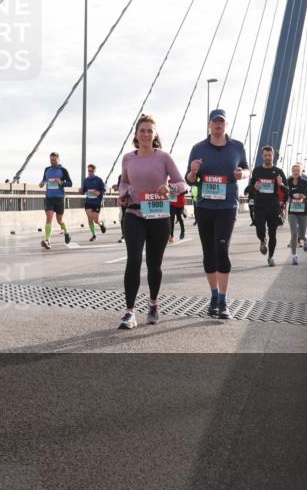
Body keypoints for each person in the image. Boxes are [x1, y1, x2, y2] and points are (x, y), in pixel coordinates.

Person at [117, 114, 187, 329]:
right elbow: (124, 182)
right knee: (134, 260)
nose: (146, 134)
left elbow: (182, 184)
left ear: (155, 134)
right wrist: (123, 194)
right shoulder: (128, 158)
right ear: (136, 135)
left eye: (149, 130)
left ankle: (153, 304)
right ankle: (129, 312)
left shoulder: (163, 157)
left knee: (154, 265)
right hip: (134, 214)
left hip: (158, 216)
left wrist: (169, 188)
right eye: (142, 131)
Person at [185, 109, 249, 320]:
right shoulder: (198, 148)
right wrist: (193, 172)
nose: (218, 125)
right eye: (215, 122)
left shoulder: (237, 147)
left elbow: (246, 169)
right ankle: (213, 296)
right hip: (204, 207)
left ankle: (223, 300)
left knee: (221, 250)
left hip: (227, 206)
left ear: (226, 124)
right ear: (209, 125)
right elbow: (189, 180)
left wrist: (243, 174)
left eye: (222, 122)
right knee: (208, 253)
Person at [248, 145, 287, 267]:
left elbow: (287, 191)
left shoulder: (279, 172)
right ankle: (262, 240)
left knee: (273, 233)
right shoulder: (257, 171)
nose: (267, 157)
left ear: (273, 156)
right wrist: (254, 187)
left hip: (273, 207)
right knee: (260, 228)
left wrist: (281, 185)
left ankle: (271, 257)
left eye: (269, 155)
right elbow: (249, 188)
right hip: (259, 206)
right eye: (265, 155)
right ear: (262, 156)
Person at [39, 152, 73, 249]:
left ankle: (66, 232)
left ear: (58, 160)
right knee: (49, 218)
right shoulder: (47, 169)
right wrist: (42, 183)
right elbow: (44, 179)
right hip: (49, 197)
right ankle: (47, 240)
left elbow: (70, 183)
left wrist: (61, 182)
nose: (52, 162)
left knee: (59, 221)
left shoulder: (63, 170)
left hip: (59, 198)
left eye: (54, 160)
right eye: (51, 160)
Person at [285, 163, 307, 264]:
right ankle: (294, 256)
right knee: (294, 233)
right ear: (291, 171)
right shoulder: (288, 182)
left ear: (301, 172)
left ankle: (305, 238)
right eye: (294, 170)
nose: (295, 172)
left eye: (298, 170)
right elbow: (284, 193)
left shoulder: (306, 183)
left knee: (301, 235)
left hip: (304, 212)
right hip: (292, 211)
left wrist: (305, 197)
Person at [80, 163, 107, 241]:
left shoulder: (98, 180)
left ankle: (101, 224)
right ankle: (94, 235)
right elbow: (84, 190)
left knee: (96, 220)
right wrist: (81, 190)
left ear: (95, 171)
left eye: (91, 171)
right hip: (88, 201)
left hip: (96, 202)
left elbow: (104, 189)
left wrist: (98, 192)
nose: (90, 172)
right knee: (89, 219)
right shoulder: (86, 180)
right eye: (89, 171)